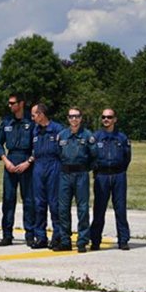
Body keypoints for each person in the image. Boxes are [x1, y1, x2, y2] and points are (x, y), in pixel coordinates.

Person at [54, 107, 97, 253]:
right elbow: (58, 154)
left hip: (81, 175)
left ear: (81, 118)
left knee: (83, 209)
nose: (74, 119)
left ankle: (82, 241)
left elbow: (94, 156)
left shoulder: (87, 136)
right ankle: (65, 240)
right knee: (63, 209)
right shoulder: (62, 136)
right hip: (65, 175)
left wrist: (85, 168)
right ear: (67, 118)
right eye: (71, 116)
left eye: (77, 116)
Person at [0, 93, 35, 246]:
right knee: (8, 200)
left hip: (27, 164)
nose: (10, 106)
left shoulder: (31, 122)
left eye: (13, 103)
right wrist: (5, 160)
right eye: (9, 103)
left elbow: (37, 143)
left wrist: (29, 162)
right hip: (10, 162)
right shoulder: (6, 122)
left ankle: (30, 234)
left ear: (21, 103)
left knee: (29, 200)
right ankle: (7, 235)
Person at [90, 108, 132, 251]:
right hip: (101, 176)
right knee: (99, 210)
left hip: (118, 175)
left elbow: (127, 157)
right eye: (103, 117)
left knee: (120, 209)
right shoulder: (95, 137)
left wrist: (119, 169)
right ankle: (95, 240)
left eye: (109, 117)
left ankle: (123, 240)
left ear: (115, 119)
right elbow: (91, 157)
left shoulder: (122, 138)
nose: (106, 120)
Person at [29, 103, 64, 249]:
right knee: (39, 204)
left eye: (33, 115)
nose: (32, 118)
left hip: (54, 166)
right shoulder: (35, 131)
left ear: (41, 114)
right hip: (38, 166)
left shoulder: (57, 129)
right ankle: (41, 237)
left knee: (54, 203)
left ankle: (57, 236)